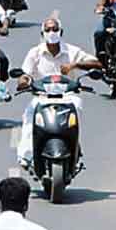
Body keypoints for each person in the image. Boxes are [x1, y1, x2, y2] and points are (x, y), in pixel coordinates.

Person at [16, 17, 101, 167]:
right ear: (42, 33)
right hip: (42, 98)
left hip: (67, 98)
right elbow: (25, 74)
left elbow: (97, 63)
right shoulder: (35, 53)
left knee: (76, 113)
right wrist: (24, 81)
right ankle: (26, 156)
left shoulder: (71, 51)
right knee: (29, 119)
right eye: (48, 30)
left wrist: (74, 65)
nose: (51, 33)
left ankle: (74, 149)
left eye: (55, 29)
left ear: (61, 32)